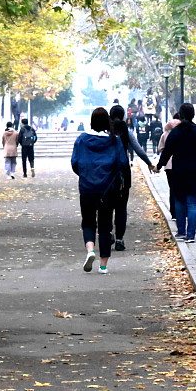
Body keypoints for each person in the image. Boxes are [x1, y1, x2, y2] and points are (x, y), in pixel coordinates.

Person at [71, 107, 126, 275]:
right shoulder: (114, 141)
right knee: (105, 225)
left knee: (88, 221)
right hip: (107, 190)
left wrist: (85, 174)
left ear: (91, 121)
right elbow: (122, 163)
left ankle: (90, 250)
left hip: (87, 187)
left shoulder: (82, 140)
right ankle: (103, 265)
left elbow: (75, 162)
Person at [153, 103, 196, 243]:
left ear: (180, 114)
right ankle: (191, 235)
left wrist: (159, 166)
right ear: (193, 115)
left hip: (178, 169)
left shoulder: (176, 132)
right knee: (192, 202)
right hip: (195, 170)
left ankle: (181, 231)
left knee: (179, 200)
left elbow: (167, 151)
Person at [109, 105, 154, 251]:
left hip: (105, 172)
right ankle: (119, 239)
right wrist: (149, 163)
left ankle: (108, 233)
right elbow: (138, 149)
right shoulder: (126, 131)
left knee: (106, 205)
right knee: (121, 207)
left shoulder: (105, 131)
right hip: (122, 173)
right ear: (123, 116)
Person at [157, 118, 180, 213]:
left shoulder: (165, 135)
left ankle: (173, 211)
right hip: (179, 164)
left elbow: (160, 148)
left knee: (172, 188)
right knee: (180, 188)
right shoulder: (180, 134)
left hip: (168, 165)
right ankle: (181, 210)